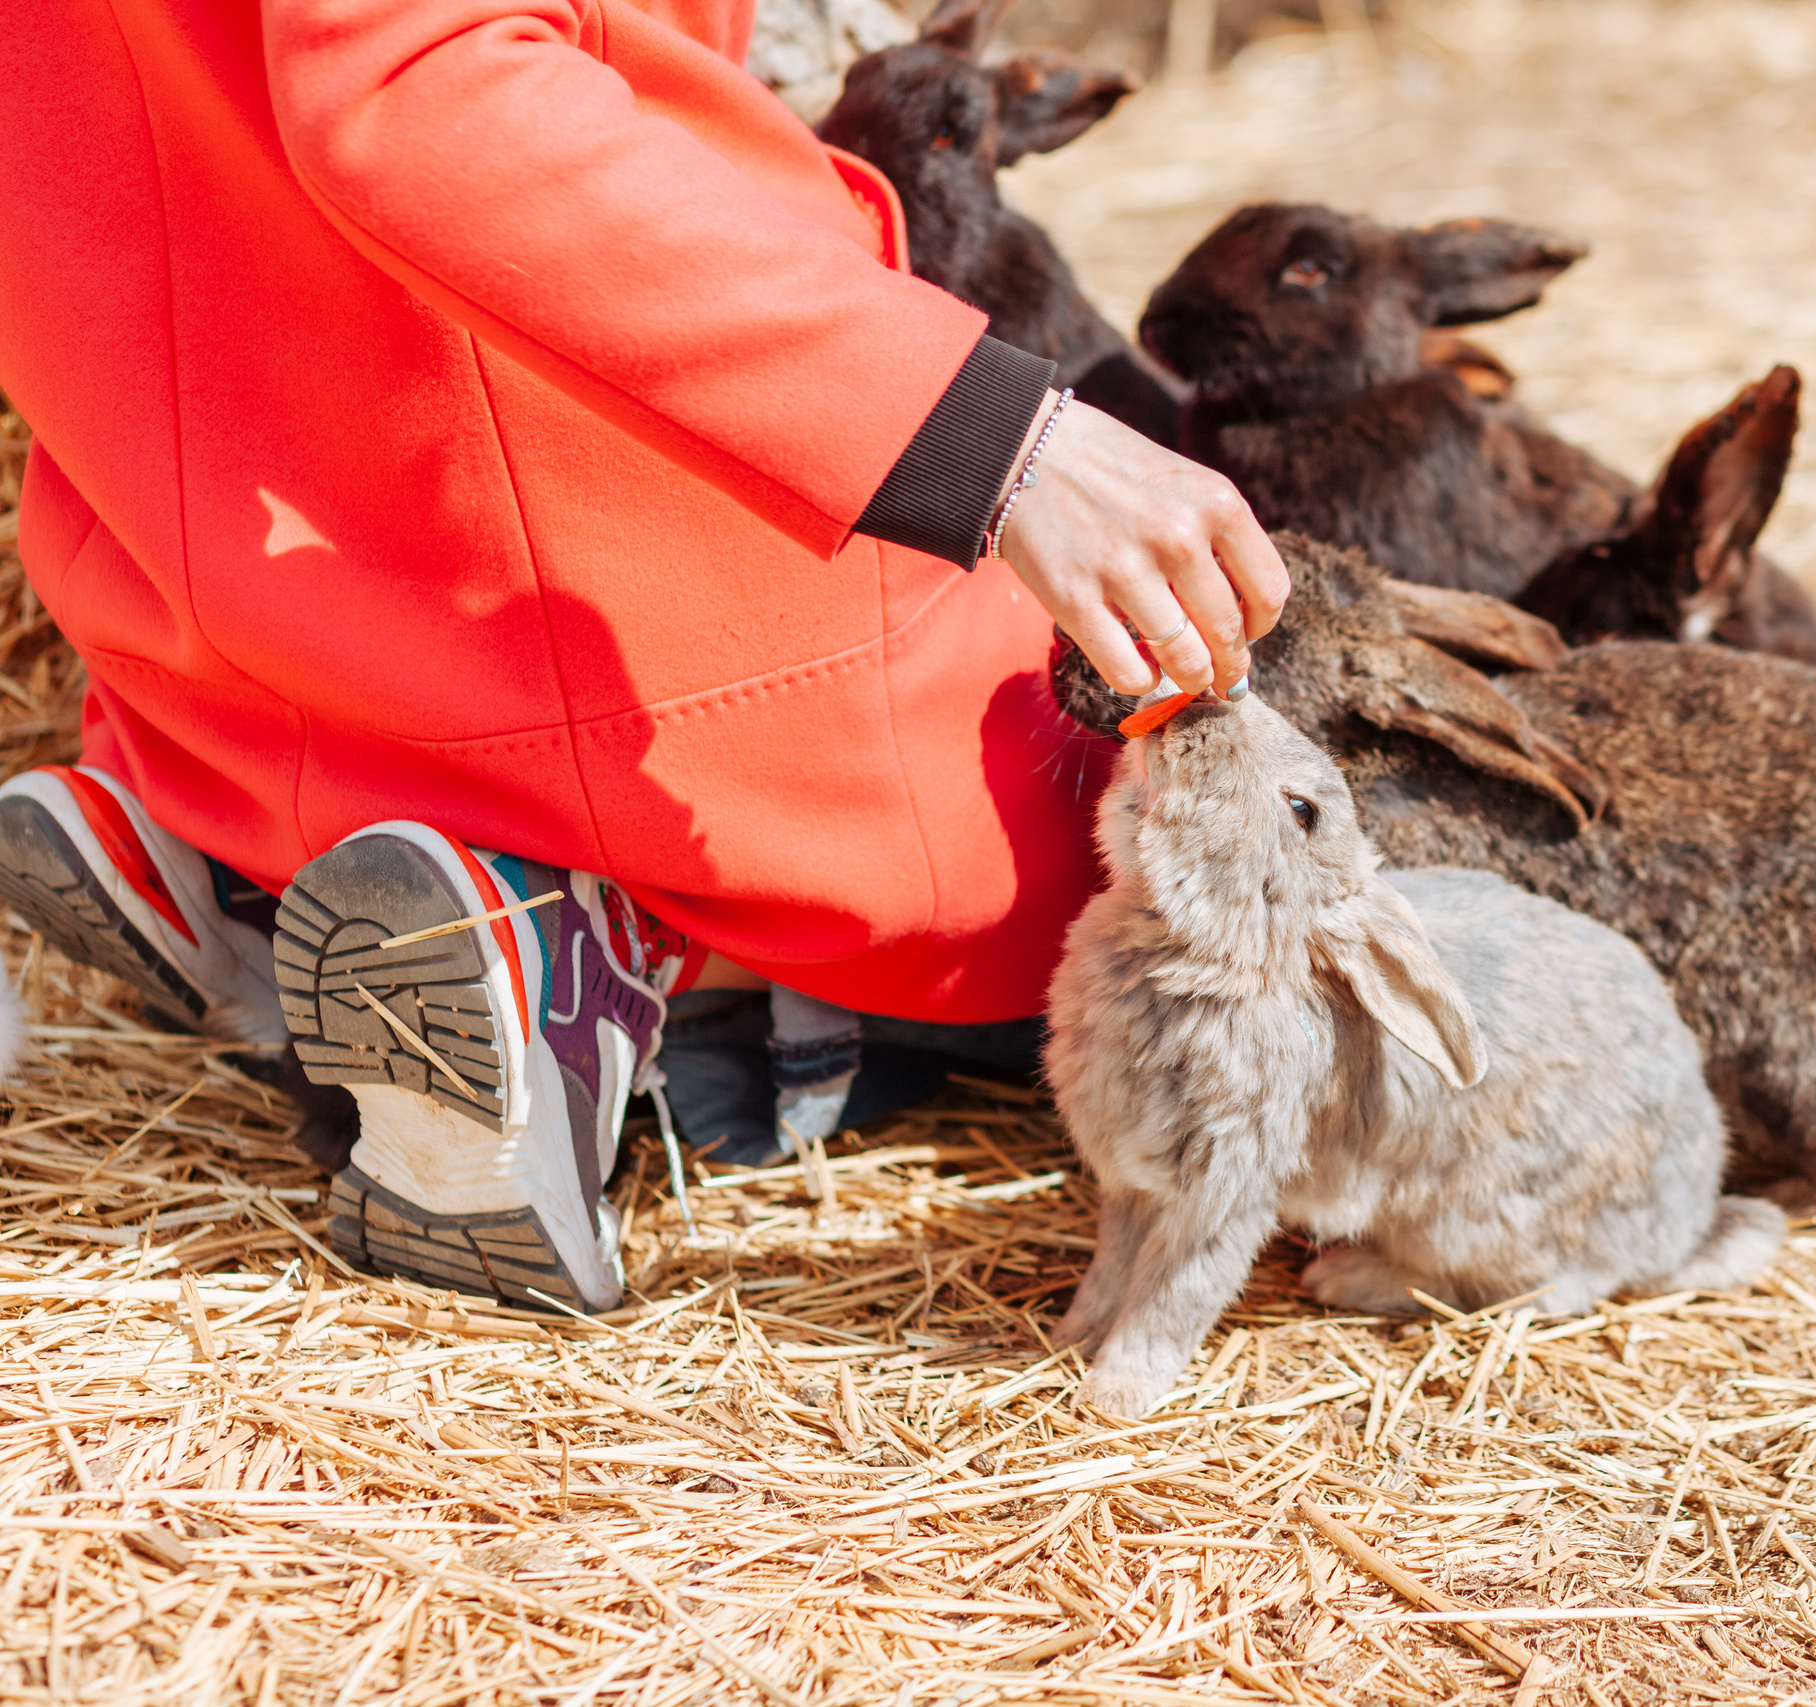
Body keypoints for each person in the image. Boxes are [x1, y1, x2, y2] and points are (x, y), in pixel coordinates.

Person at [0, 0, 1287, 1313]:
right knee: (1100, 876)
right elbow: (422, 78)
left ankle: (248, 875)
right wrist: (1002, 443)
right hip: (545, 558)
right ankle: (568, 961)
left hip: (219, 569)